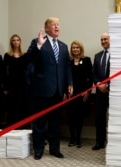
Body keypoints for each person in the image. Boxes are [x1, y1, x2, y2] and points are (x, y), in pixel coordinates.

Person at [27, 17, 73, 160]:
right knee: (40, 123)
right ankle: (39, 150)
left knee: (55, 123)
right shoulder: (37, 42)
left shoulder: (64, 46)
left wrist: (69, 83)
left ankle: (54, 149)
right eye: (53, 25)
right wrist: (39, 46)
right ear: (46, 28)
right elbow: (29, 58)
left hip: (58, 91)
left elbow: (66, 67)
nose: (57, 27)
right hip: (41, 90)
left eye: (58, 24)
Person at [67, 40, 93, 148]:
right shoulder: (68, 61)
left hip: (82, 93)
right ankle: (72, 138)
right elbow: (65, 78)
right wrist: (66, 92)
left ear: (80, 48)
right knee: (71, 117)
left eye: (77, 47)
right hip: (70, 94)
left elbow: (90, 78)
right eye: (73, 47)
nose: (75, 49)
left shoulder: (86, 60)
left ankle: (78, 138)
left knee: (79, 117)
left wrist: (88, 91)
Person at [3, 34, 28, 128]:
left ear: (20, 42)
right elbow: (4, 72)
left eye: (17, 40)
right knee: (12, 107)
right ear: (11, 42)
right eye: (14, 40)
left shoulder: (25, 55)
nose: (16, 42)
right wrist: (5, 86)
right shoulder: (7, 55)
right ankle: (12, 127)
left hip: (22, 83)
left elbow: (28, 70)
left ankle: (22, 128)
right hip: (11, 83)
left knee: (22, 106)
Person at [92, 33, 110, 150]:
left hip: (113, 92)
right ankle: (100, 142)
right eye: (101, 39)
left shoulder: (118, 55)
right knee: (99, 119)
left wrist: (107, 85)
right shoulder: (97, 56)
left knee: (114, 118)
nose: (103, 41)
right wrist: (99, 84)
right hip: (99, 93)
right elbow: (93, 73)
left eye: (105, 39)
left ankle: (113, 143)